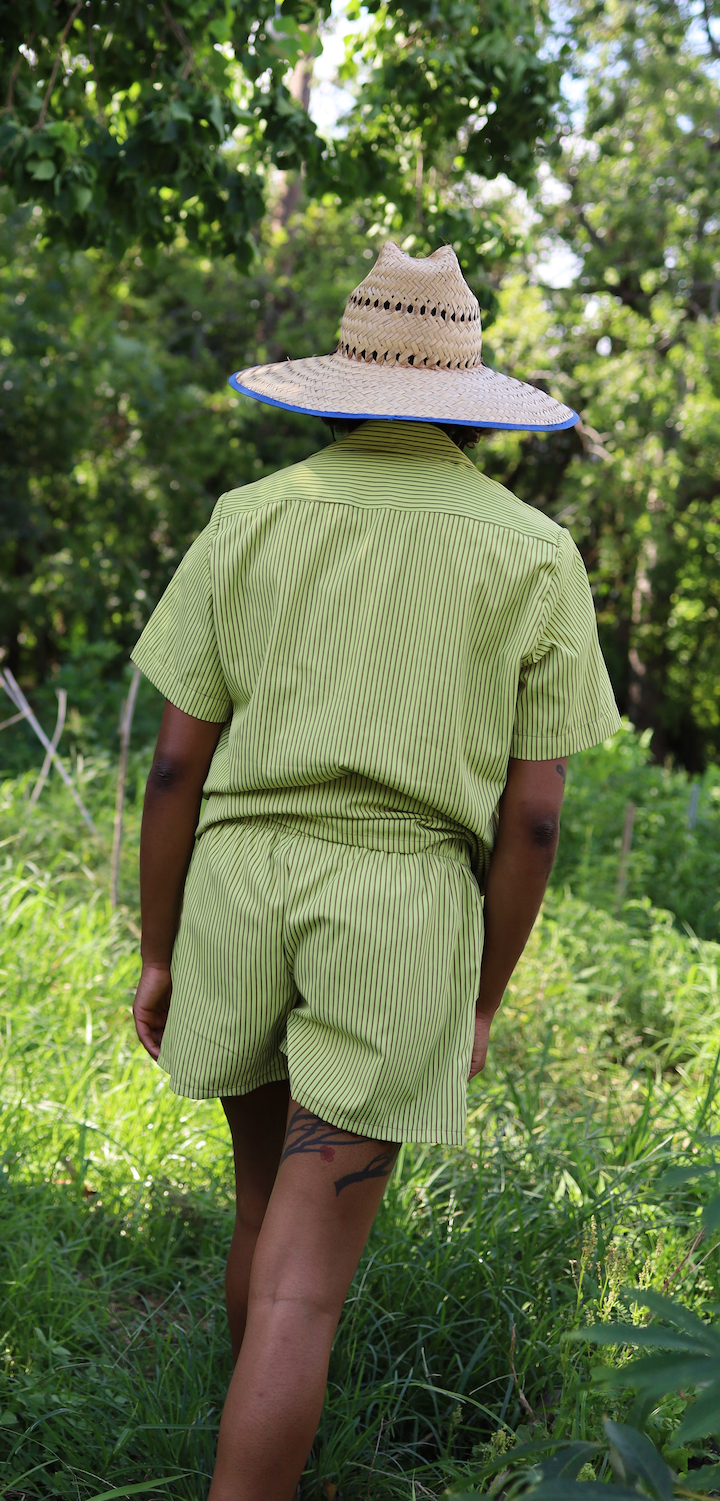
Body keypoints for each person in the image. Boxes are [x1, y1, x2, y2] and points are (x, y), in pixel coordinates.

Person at [128, 242, 620, 1501]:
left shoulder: (253, 516)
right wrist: (487, 991)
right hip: (398, 912)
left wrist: (160, 946)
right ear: (468, 390)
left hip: (239, 889)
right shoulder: (532, 551)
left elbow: (176, 767)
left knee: (257, 1221)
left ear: (344, 375)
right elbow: (537, 820)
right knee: (308, 1278)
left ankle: (257, 1458)